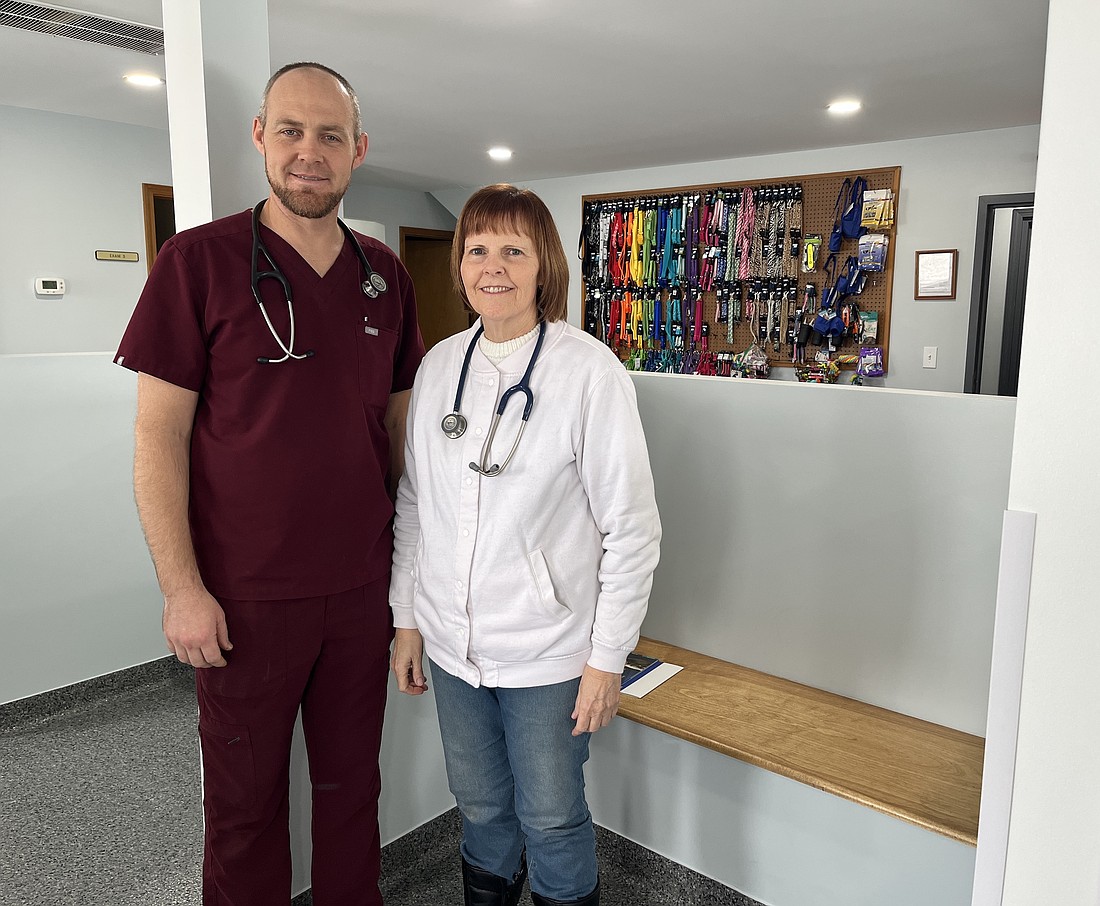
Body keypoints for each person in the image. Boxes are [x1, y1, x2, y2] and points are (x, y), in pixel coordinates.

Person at [115, 62, 424, 906]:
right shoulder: (197, 263)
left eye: (330, 136)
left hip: (361, 591)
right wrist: (181, 588)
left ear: (358, 151)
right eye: (290, 130)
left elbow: (400, 432)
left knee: (351, 794)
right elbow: (157, 438)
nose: (309, 153)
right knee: (246, 812)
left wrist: (411, 589)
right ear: (260, 137)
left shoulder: (384, 278)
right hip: (244, 600)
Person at [389, 184, 661, 906]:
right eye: (477, 249)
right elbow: (416, 502)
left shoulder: (588, 371)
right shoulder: (439, 366)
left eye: (514, 249)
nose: (494, 266)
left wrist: (607, 661)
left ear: (545, 265)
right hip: (452, 645)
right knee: (478, 806)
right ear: (459, 265)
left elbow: (631, 529)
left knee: (550, 816)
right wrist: (407, 619)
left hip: (548, 651)